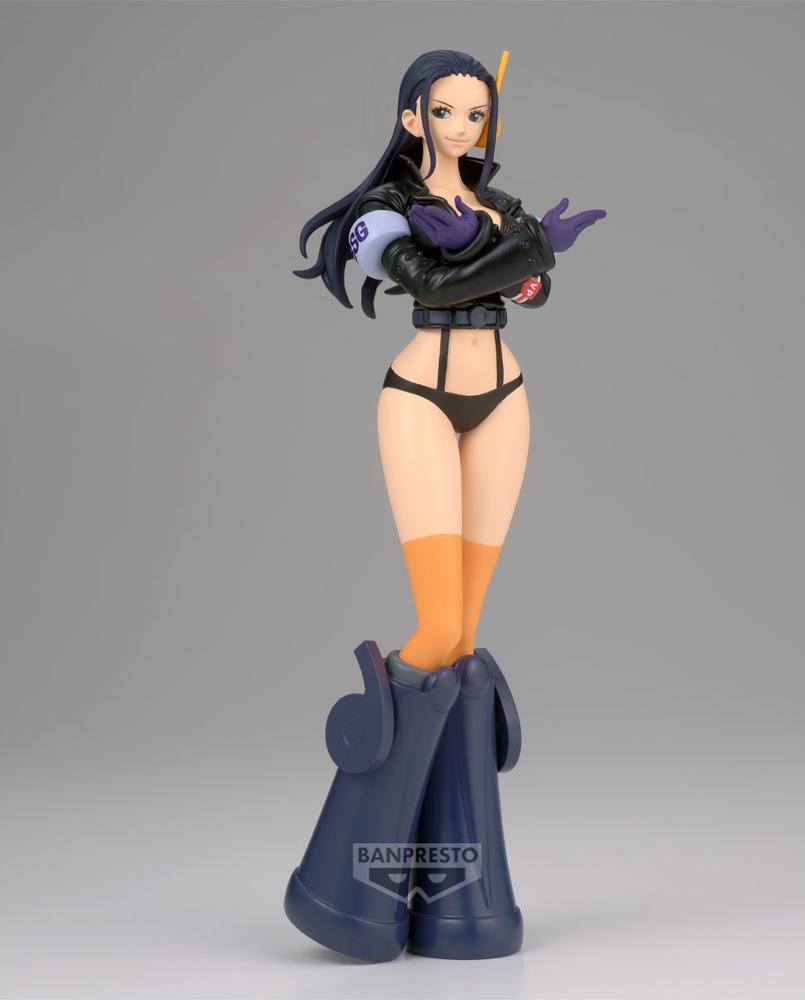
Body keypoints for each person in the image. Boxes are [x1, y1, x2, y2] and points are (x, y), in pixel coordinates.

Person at [285, 48, 605, 962]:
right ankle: (338, 880)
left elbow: (528, 293)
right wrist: (522, 252)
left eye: (478, 114)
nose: (464, 127)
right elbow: (432, 286)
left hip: (504, 398)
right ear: (412, 115)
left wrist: (513, 257)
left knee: (464, 645)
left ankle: (454, 902)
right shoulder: (386, 210)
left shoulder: (498, 206)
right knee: (436, 626)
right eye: (447, 111)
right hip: (420, 399)